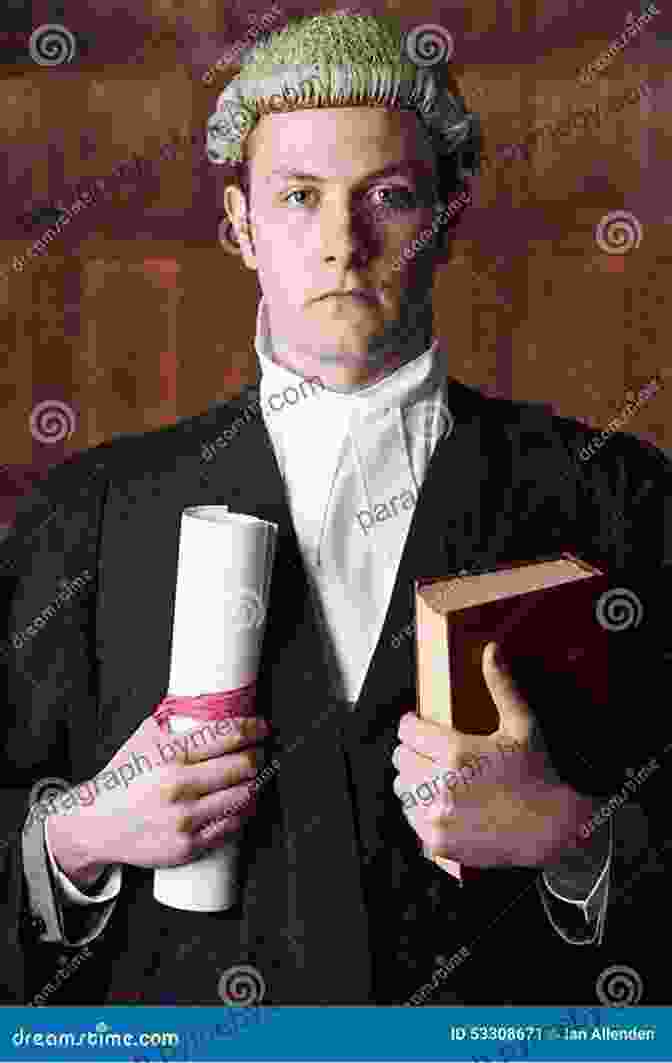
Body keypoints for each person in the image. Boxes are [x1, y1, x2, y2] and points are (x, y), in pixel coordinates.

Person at [1, 10, 670, 1008]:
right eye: (298, 198)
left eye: (389, 197)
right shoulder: (91, 510)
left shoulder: (620, 496)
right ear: (238, 225)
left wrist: (576, 835)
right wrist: (80, 836)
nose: (341, 245)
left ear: (450, 213)